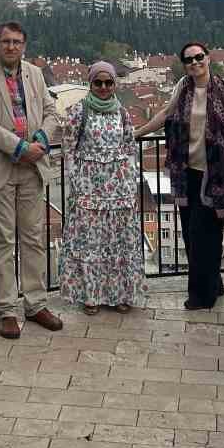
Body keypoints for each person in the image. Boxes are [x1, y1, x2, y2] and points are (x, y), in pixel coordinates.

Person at [137, 42, 224, 311]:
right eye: (189, 60)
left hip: (217, 174)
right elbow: (166, 114)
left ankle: (201, 295)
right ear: (184, 65)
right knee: (192, 232)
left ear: (208, 58)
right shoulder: (183, 89)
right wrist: (136, 134)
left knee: (203, 235)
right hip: (187, 173)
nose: (195, 63)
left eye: (199, 57)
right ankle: (215, 282)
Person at [0, 22, 62, 340]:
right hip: (1, 167)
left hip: (32, 166)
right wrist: (19, 147)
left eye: (17, 42)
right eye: (6, 42)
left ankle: (36, 304)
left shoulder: (34, 74)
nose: (12, 47)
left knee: (34, 237)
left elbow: (52, 113)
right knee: (2, 242)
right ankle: (7, 308)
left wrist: (39, 141)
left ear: (25, 45)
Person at [59, 61, 145, 314]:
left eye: (109, 83)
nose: (104, 87)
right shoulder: (79, 111)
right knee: (90, 243)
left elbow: (129, 146)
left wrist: (130, 178)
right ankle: (91, 295)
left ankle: (119, 294)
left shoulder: (122, 112)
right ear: (91, 83)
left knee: (118, 241)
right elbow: (69, 148)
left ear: (115, 84)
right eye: (99, 82)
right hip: (89, 187)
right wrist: (76, 181)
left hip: (119, 188)